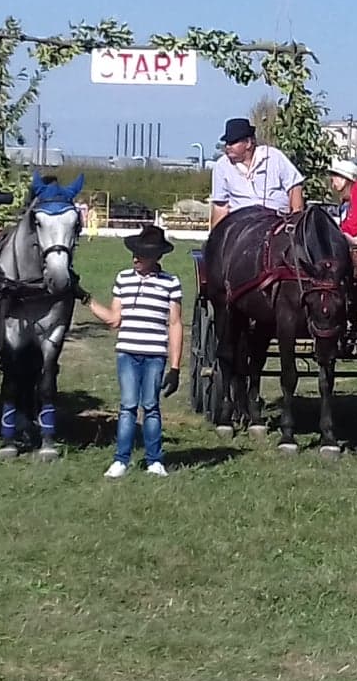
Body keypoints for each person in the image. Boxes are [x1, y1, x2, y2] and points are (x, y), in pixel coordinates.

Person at [86, 225, 184, 478]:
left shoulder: (170, 283)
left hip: (154, 354)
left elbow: (174, 324)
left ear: (156, 257)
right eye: (135, 253)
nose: (135, 258)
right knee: (128, 406)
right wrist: (86, 299)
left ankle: (154, 460)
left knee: (151, 405)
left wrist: (175, 367)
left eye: (142, 254)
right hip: (127, 353)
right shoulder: (123, 279)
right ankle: (121, 459)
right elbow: (113, 319)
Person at [208, 117, 304, 228]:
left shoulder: (274, 157)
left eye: (233, 142)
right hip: (240, 225)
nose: (228, 146)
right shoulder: (221, 166)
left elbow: (294, 187)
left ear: (248, 143)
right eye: (227, 143)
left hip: (277, 222)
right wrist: (214, 240)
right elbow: (220, 206)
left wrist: (295, 222)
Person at [325, 159, 357, 243]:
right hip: (345, 237)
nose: (333, 185)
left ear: (343, 178)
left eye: (333, 180)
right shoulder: (345, 201)